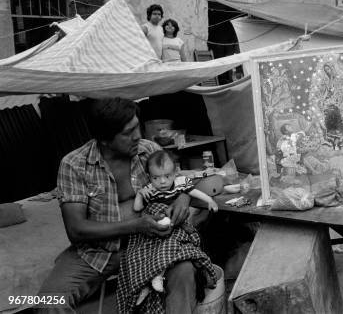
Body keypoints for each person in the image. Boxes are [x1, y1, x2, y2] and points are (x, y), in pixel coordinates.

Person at [37, 98, 193, 314]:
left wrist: (183, 198)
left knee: (184, 271)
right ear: (104, 139)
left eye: (137, 126)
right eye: (128, 132)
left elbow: (179, 183)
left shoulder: (148, 150)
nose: (138, 135)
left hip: (151, 246)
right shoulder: (74, 164)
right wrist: (136, 225)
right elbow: (76, 229)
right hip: (98, 253)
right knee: (48, 302)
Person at [127, 150, 218, 309]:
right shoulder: (149, 189)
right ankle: (146, 283)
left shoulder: (180, 184)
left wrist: (210, 200)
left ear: (175, 173)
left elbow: (195, 192)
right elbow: (138, 208)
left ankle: (157, 277)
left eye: (167, 176)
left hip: (175, 227)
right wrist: (140, 194)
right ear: (149, 176)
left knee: (169, 248)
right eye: (156, 178)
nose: (162, 181)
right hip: (154, 229)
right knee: (145, 252)